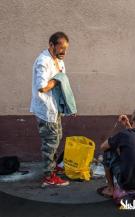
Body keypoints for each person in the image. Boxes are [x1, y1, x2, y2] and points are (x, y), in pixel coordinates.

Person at [30, 32, 72, 187]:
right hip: (46, 110)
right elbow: (42, 87)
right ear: (51, 45)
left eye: (66, 49)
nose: (64, 52)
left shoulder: (59, 61)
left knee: (56, 138)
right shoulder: (43, 62)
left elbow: (63, 84)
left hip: (56, 109)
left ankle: (52, 170)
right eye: (60, 48)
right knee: (50, 143)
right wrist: (56, 80)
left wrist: (67, 106)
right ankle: (48, 177)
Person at [99, 107, 135, 202]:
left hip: (127, 183)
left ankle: (110, 189)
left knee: (107, 152)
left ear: (133, 117)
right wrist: (128, 125)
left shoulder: (124, 134)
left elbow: (103, 146)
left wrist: (117, 128)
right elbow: (134, 137)